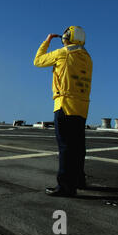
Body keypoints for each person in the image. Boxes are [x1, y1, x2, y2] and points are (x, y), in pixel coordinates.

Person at [34, 26, 93, 197]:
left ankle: (66, 187)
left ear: (66, 37)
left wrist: (47, 41)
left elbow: (38, 61)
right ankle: (79, 180)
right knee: (78, 147)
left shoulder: (63, 53)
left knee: (66, 147)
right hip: (82, 107)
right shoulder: (88, 58)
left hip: (65, 104)